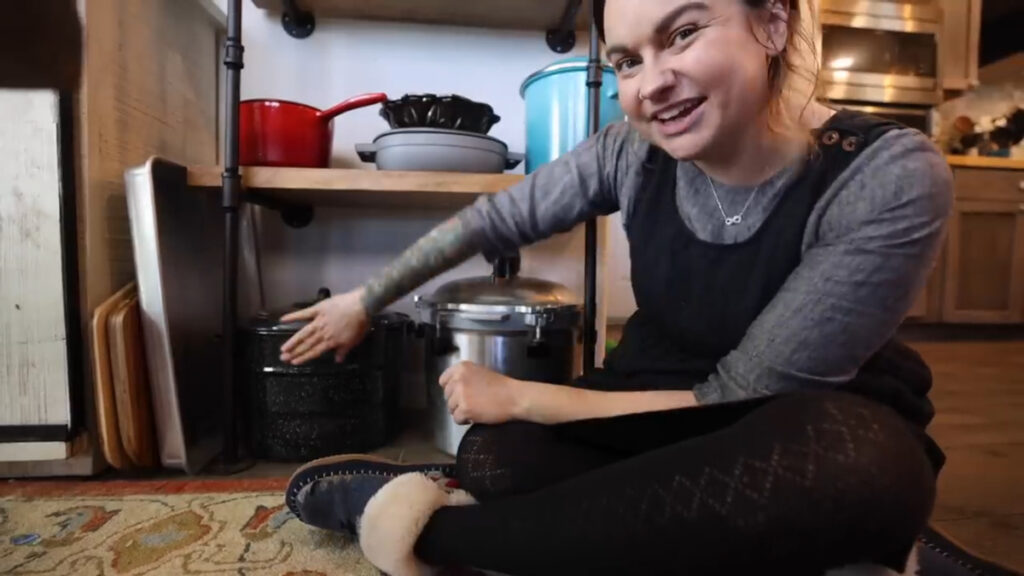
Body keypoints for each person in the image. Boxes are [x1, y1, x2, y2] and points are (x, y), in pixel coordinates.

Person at [276, 0, 953, 573]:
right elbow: (495, 218)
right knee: (493, 456)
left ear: (773, 24)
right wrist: (365, 299)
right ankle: (811, 543)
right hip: (651, 400)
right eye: (628, 61)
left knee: (858, 468)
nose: (651, 83)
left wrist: (526, 396)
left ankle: (427, 534)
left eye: (683, 33)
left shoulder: (885, 174)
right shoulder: (630, 150)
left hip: (799, 414)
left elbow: (738, 396)